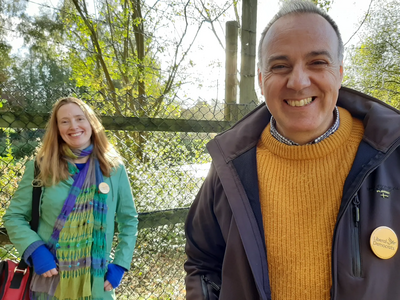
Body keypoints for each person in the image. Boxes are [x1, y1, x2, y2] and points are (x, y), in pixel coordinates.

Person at [184, 1, 400, 299]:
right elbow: (202, 260)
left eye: (317, 63)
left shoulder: (392, 156)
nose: (298, 81)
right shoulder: (229, 168)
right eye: (280, 66)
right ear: (261, 80)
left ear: (339, 72)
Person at [4, 97, 138, 300]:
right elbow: (14, 217)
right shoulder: (41, 167)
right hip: (51, 280)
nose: (73, 126)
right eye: (64, 121)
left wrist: (120, 264)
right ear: (57, 128)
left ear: (91, 123)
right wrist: (36, 250)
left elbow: (128, 220)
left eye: (79, 118)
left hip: (98, 283)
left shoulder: (114, 168)